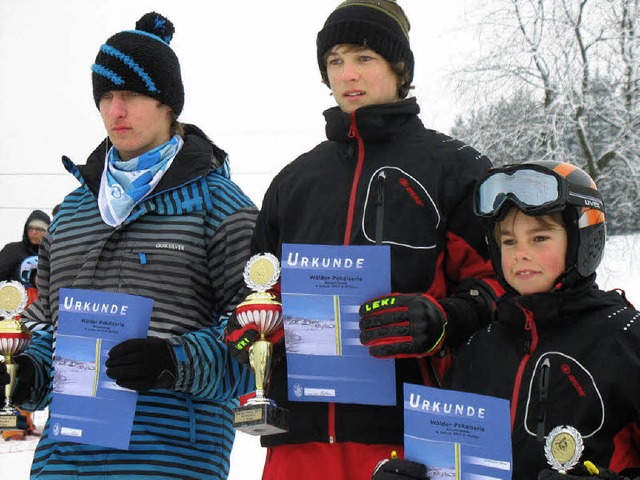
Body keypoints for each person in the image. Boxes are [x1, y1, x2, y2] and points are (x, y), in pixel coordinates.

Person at [225, 1, 501, 478]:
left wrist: (442, 321)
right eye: (334, 61)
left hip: (411, 437)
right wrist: (251, 328)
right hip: (301, 441)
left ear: (399, 69)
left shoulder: (457, 169)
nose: (347, 74)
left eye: (364, 58)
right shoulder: (295, 181)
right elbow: (258, 292)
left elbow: (500, 288)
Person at [0, 12, 257, 479]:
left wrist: (173, 362)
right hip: (64, 461)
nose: (115, 111)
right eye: (106, 97)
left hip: (170, 458)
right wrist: (25, 374)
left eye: (131, 95)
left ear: (166, 104)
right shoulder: (74, 211)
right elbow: (42, 326)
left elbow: (257, 335)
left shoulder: (219, 204)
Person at [371, 161, 640, 480]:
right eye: (509, 241)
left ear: (583, 239)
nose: (520, 253)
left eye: (539, 238)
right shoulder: (479, 346)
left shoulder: (625, 340)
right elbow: (452, 464)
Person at [0, 210, 50, 282]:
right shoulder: (12, 250)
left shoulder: (54, 254)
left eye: (39, 229)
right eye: (30, 228)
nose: (33, 232)